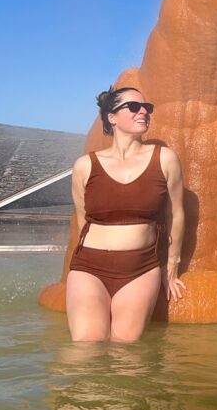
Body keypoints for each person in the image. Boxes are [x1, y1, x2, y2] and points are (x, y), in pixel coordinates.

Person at [66, 86, 186, 342]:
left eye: (147, 108)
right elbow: (82, 219)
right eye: (134, 107)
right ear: (112, 117)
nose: (144, 111)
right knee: (86, 345)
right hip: (89, 267)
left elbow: (175, 214)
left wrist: (171, 265)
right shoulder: (85, 166)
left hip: (140, 268)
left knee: (126, 350)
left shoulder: (165, 159)